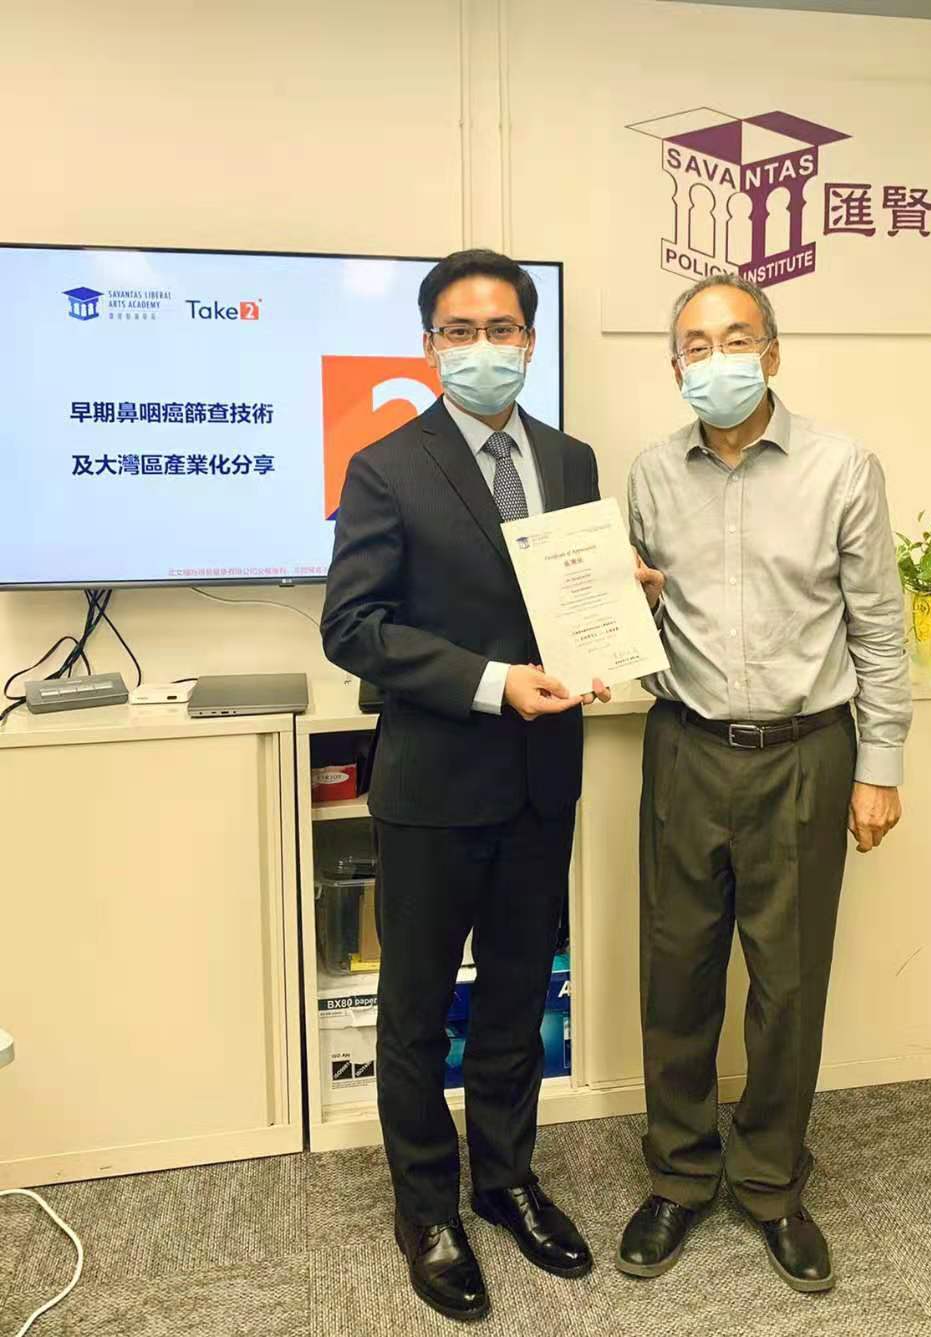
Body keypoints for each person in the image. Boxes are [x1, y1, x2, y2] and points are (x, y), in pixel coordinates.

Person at [322, 249, 607, 1324]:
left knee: (517, 994)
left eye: (502, 328)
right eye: (460, 330)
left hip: (542, 780)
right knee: (414, 1010)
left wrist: (612, 616)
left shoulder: (572, 459)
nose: (483, 347)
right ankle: (427, 1209)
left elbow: (567, 596)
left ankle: (506, 1179)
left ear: (530, 340)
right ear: (429, 345)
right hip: (435, 784)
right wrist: (492, 682)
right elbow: (354, 627)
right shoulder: (386, 466)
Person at [618, 272, 912, 1293]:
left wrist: (879, 764)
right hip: (685, 746)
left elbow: (879, 626)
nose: (717, 360)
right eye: (695, 346)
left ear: (773, 352)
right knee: (677, 971)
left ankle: (773, 1180)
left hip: (805, 752)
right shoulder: (651, 475)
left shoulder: (842, 468)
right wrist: (626, 611)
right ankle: (679, 1172)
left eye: (736, 339)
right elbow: (634, 628)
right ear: (675, 367)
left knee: (789, 983)